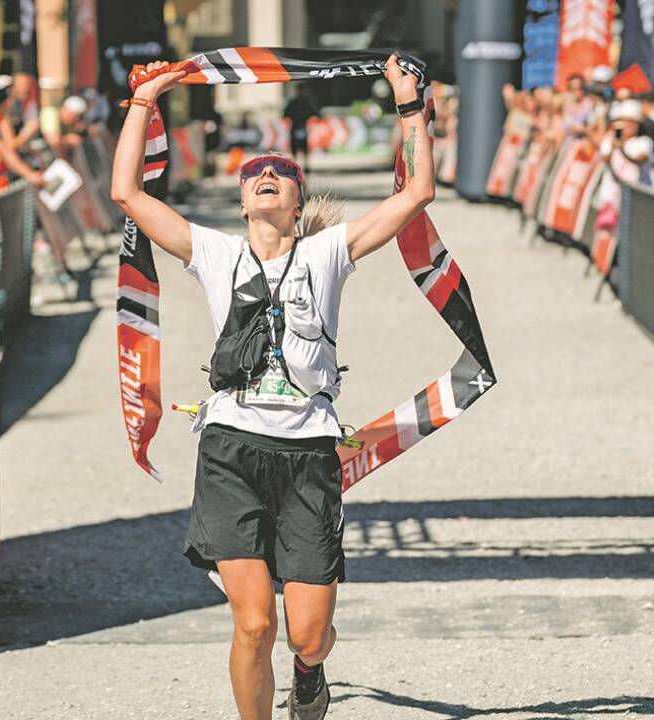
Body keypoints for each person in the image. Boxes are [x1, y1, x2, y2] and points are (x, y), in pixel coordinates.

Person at [110, 55, 435, 720]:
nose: (265, 175)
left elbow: (417, 193)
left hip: (309, 453)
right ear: (241, 200)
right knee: (254, 624)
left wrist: (409, 105)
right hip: (230, 449)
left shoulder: (328, 253)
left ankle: (310, 673)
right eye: (254, 173)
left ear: (296, 198)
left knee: (307, 635)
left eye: (280, 173)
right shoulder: (216, 255)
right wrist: (144, 101)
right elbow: (129, 197)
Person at [283, 85, 317, 168]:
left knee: (303, 147)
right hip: (295, 127)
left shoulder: (306, 103)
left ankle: (305, 165)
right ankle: (297, 165)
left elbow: (315, 113)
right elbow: (285, 114)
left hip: (303, 127)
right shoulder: (294, 102)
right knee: (296, 147)